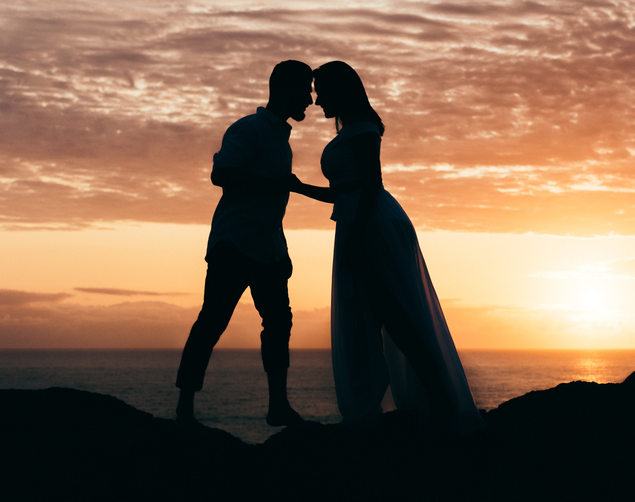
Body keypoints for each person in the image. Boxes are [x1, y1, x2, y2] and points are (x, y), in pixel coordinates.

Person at [291, 61, 483, 433]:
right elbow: (347, 192)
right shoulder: (355, 129)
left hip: (371, 227)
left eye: (321, 91)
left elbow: (371, 187)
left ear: (339, 91)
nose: (315, 101)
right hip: (360, 223)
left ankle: (440, 403)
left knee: (393, 315)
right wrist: (298, 188)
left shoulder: (362, 130)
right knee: (378, 315)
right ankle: (417, 402)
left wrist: (359, 240)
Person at [174, 60, 313, 427]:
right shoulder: (249, 129)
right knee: (213, 322)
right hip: (234, 245)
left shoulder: (280, 139)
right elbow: (221, 173)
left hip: (266, 248)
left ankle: (277, 406)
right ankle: (184, 408)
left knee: (278, 322)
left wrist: (280, 251)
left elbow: (270, 201)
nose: (311, 100)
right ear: (284, 89)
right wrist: (276, 183)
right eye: (305, 91)